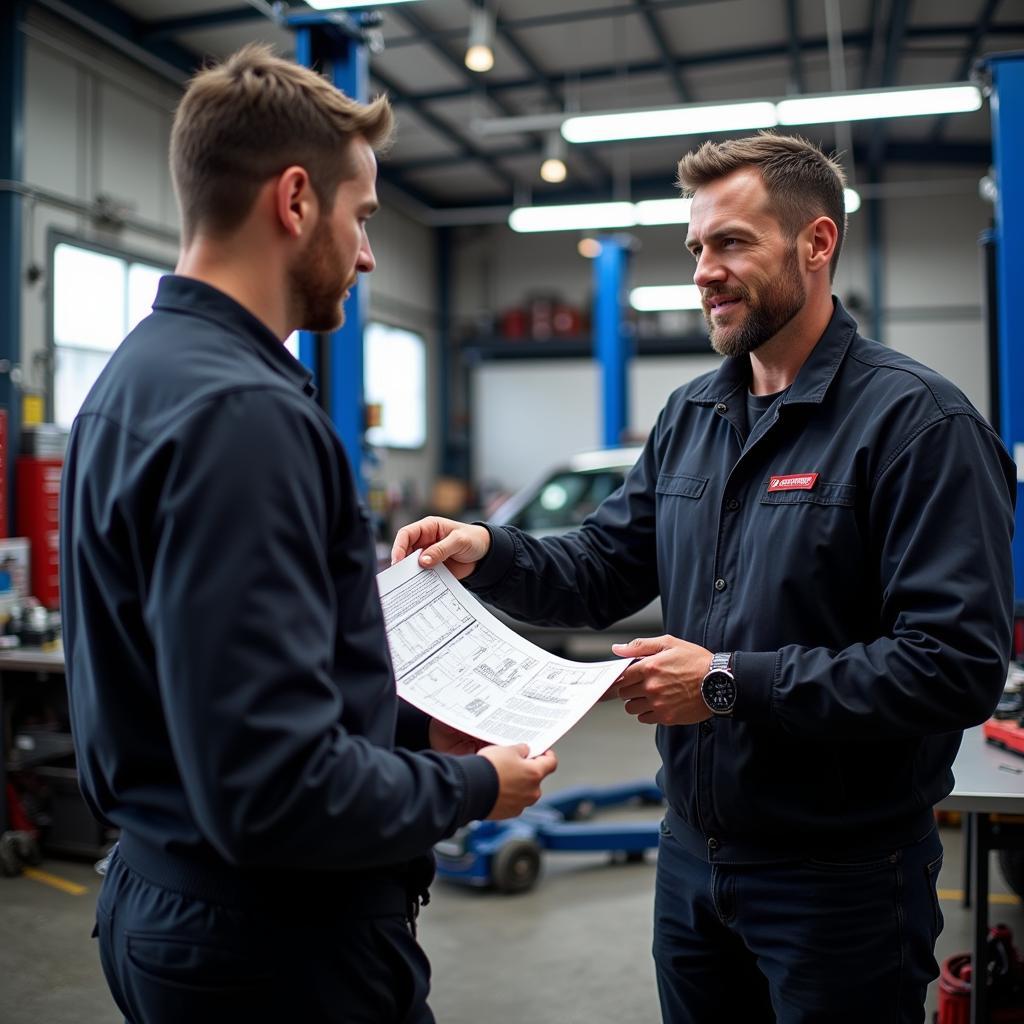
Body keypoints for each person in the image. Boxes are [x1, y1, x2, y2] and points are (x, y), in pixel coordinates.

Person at [392, 132, 1016, 1023]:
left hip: (840, 881)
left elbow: (951, 666)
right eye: (695, 248)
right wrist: (488, 551)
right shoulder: (692, 416)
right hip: (690, 860)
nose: (703, 272)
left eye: (732, 243)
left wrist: (724, 682)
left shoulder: (918, 427)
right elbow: (603, 566)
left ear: (817, 243)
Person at [59, 44, 557, 1024]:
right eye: (362, 217)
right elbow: (271, 784)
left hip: (169, 898)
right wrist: (469, 784)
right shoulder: (246, 417)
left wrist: (411, 728)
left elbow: (209, 699)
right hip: (275, 946)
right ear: (295, 200)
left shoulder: (133, 380)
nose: (368, 254)